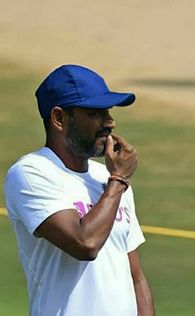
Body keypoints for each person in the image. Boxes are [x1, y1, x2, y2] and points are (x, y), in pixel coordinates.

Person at [4, 64, 155, 316]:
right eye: (96, 113)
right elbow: (85, 243)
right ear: (59, 118)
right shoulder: (31, 173)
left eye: (108, 112)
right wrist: (118, 179)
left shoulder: (109, 179)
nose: (110, 122)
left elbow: (136, 278)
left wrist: (116, 180)